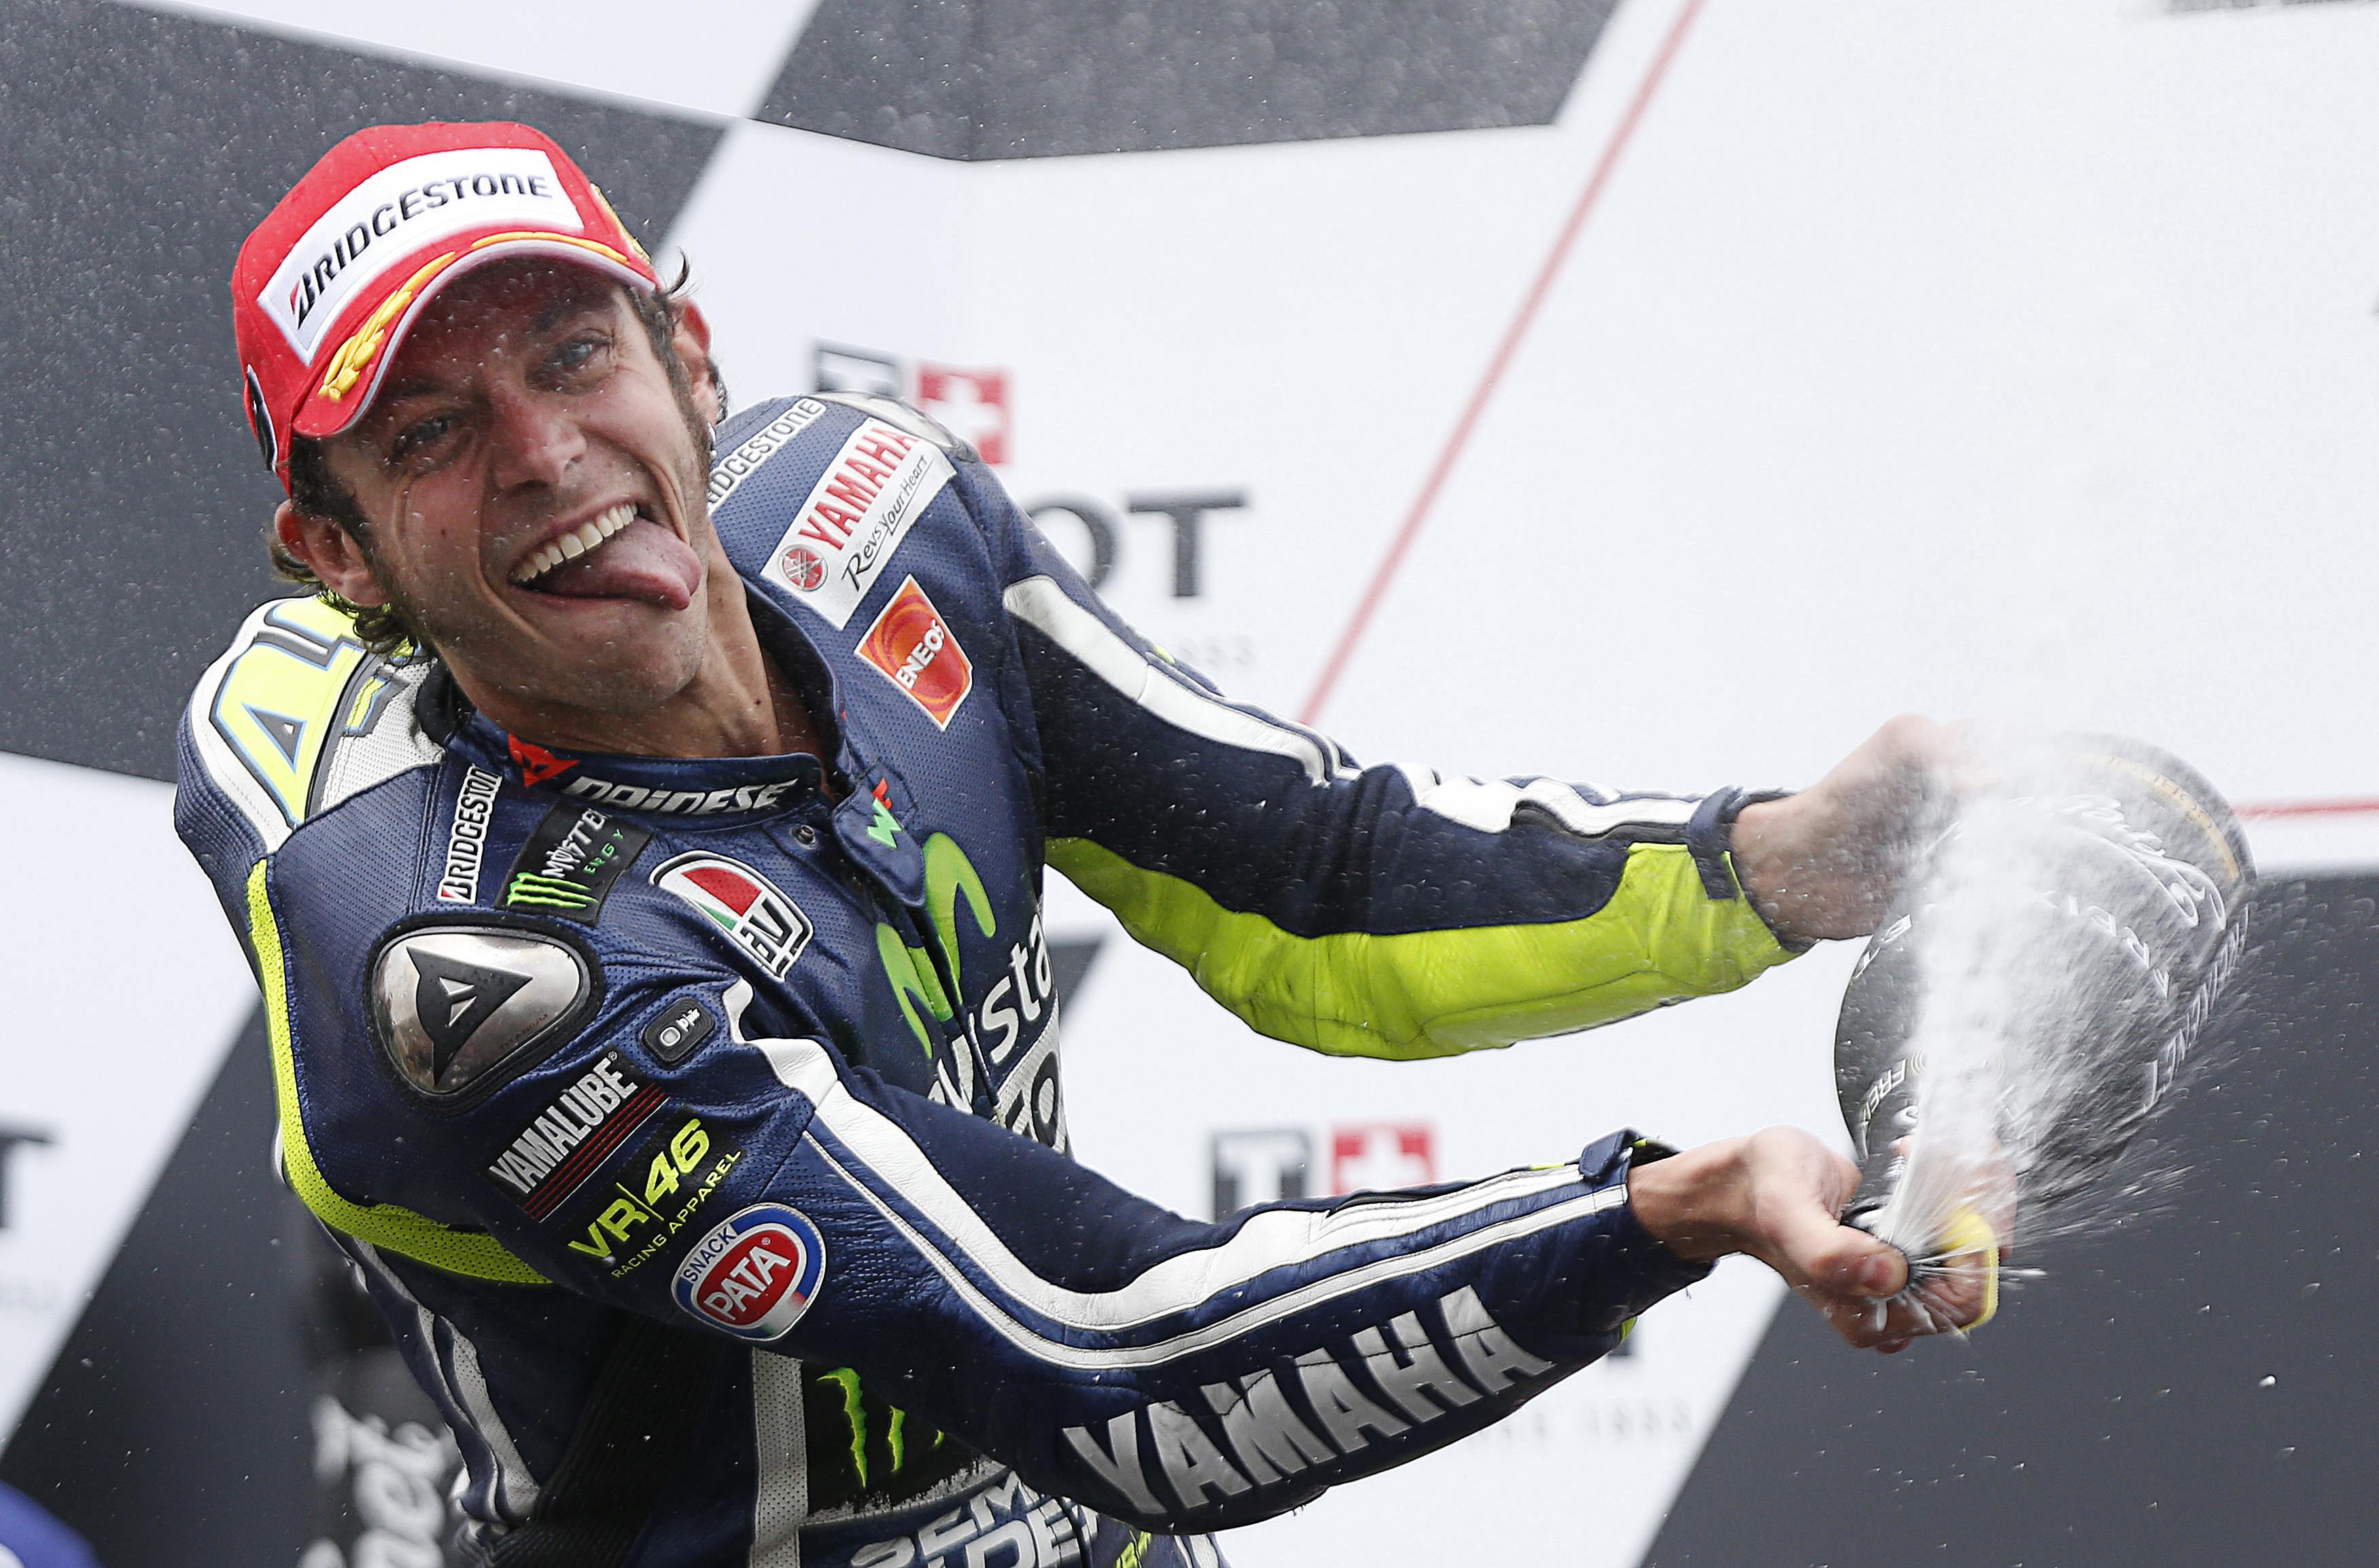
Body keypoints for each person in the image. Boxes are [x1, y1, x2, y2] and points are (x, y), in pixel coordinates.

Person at [177, 121, 1977, 1568]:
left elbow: (1315, 887)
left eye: (574, 351)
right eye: (432, 431)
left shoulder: (882, 528)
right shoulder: (484, 975)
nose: (546, 451)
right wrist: (1657, 1208)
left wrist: (1776, 858)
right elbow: (1109, 1356)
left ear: (691, 363)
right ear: (336, 549)